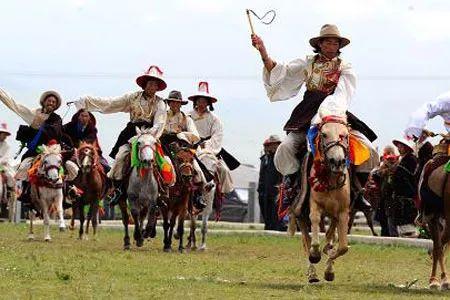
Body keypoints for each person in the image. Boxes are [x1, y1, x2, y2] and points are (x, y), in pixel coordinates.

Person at [251, 24, 379, 208]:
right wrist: (263, 50)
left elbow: (342, 94)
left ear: (339, 46)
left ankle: (358, 191)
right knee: (285, 149)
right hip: (306, 113)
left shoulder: (345, 67)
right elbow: (279, 71)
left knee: (369, 149)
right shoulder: (307, 63)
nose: (332, 45)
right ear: (320, 44)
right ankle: (291, 186)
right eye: (328, 41)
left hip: (335, 114)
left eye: (336, 42)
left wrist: (328, 115)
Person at [72, 65, 170, 205]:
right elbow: (111, 103)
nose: (152, 86)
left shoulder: (161, 103)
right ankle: (117, 190)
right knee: (120, 157)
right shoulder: (132, 97)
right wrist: (87, 101)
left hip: (151, 136)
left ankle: (162, 191)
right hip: (132, 133)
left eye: (155, 84)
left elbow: (160, 122)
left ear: (158, 87)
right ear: (145, 84)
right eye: (150, 83)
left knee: (164, 160)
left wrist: (149, 136)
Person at [0, 89, 79, 205]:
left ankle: (68, 191)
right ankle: (26, 192)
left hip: (53, 151)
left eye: (53, 102)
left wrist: (46, 127)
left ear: (56, 105)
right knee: (23, 167)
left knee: (71, 167)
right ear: (44, 102)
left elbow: (57, 134)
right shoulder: (33, 114)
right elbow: (15, 106)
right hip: (35, 152)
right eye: (49, 101)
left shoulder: (57, 119)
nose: (51, 103)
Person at [160, 90, 211, 209]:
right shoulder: (161, 116)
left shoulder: (186, 119)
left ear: (181, 104)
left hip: (180, 146)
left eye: (177, 103)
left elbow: (195, 135)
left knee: (197, 168)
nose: (175, 105)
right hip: (163, 145)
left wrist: (182, 135)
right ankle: (158, 194)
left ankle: (198, 195)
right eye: (172, 102)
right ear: (169, 103)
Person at [188, 81, 237, 196]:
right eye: (199, 100)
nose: (202, 103)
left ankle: (221, 194)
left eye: (204, 101)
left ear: (208, 103)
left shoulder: (215, 119)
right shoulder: (188, 116)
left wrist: (205, 145)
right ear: (195, 101)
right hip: (190, 147)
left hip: (208, 148)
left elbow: (217, 136)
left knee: (224, 170)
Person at [63, 109, 110, 173]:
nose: (84, 118)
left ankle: (109, 181)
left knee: (106, 166)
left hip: (88, 150)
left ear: (89, 118)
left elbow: (90, 139)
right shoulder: (70, 125)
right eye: (82, 115)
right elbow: (62, 134)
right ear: (78, 116)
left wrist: (82, 145)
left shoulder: (92, 129)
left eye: (86, 116)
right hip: (71, 149)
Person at [390, 138, 418, 237]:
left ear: (406, 148)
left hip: (407, 196)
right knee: (401, 222)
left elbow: (409, 176)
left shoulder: (411, 159)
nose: (398, 148)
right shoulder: (402, 159)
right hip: (400, 195)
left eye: (400, 146)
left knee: (408, 221)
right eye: (398, 146)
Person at [258, 135, 284, 230]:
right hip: (264, 190)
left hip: (277, 189)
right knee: (266, 210)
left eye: (275, 145)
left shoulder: (281, 157)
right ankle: (268, 226)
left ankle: (277, 227)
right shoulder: (265, 158)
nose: (272, 147)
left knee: (275, 210)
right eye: (269, 145)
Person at [0, 122, 16, 218]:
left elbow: (5, 158)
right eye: (3, 133)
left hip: (3, 166)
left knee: (11, 177)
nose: (5, 136)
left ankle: (9, 194)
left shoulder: (8, 146)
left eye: (5, 134)